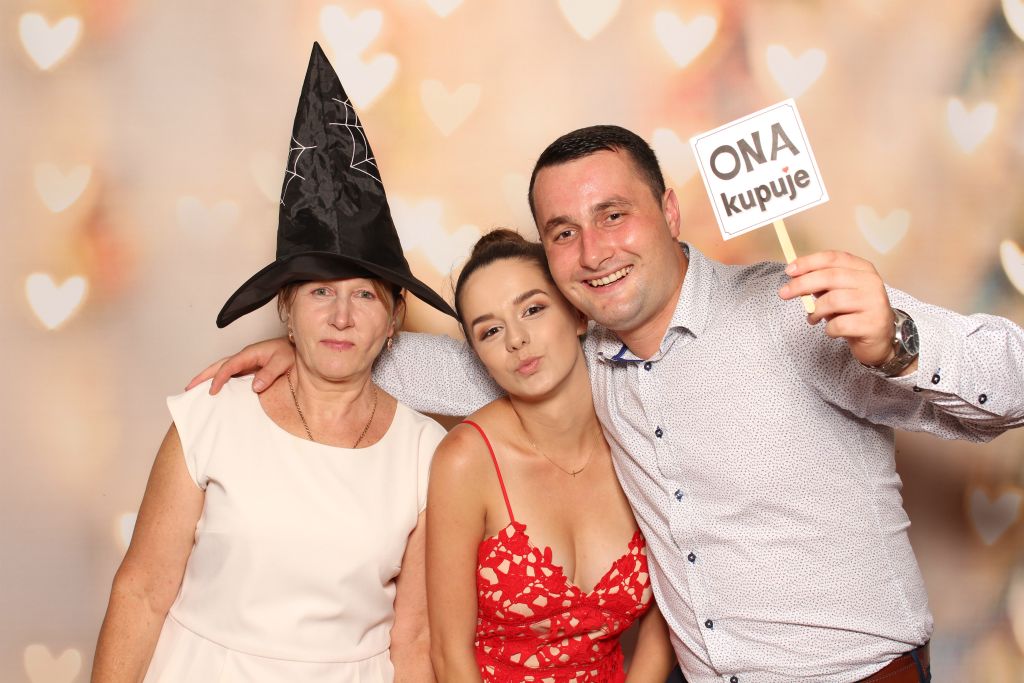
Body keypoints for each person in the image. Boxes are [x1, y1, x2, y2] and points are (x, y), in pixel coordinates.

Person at [193, 125, 1024, 682]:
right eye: (563, 231)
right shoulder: (580, 362)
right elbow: (448, 366)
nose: (593, 251)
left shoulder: (793, 310)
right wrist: (319, 347)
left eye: (613, 214)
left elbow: (1012, 384)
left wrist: (900, 338)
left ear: (667, 210)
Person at [92, 43, 453, 682]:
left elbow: (416, 636)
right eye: (320, 294)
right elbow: (141, 592)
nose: (341, 317)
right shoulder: (211, 418)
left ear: (395, 316)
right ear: (286, 309)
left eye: (364, 296)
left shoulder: (426, 453)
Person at [427, 229, 675, 681]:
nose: (516, 340)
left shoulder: (642, 437)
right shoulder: (465, 460)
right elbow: (449, 654)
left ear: (578, 315)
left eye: (533, 309)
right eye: (490, 330)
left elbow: (667, 623)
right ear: (479, 357)